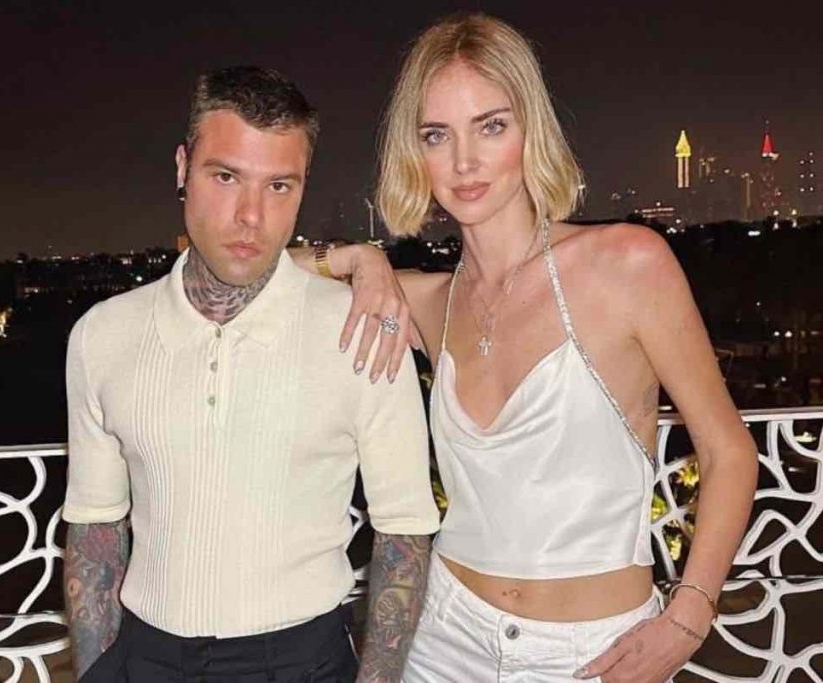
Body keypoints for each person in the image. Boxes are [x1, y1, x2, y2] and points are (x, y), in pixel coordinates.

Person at [296, 14, 758, 682]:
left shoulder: (625, 264)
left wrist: (690, 612)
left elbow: (728, 450)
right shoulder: (428, 301)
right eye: (436, 135)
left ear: (530, 130)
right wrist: (356, 257)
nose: (464, 162)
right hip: (442, 637)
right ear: (414, 153)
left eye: (491, 126)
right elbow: (254, 270)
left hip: (592, 653)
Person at [60, 65, 439, 682]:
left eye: (279, 186)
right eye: (226, 176)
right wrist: (95, 672)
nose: (250, 216)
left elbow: (404, 534)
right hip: (145, 656)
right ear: (182, 168)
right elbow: (95, 525)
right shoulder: (102, 335)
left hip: (302, 661)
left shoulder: (363, 329)